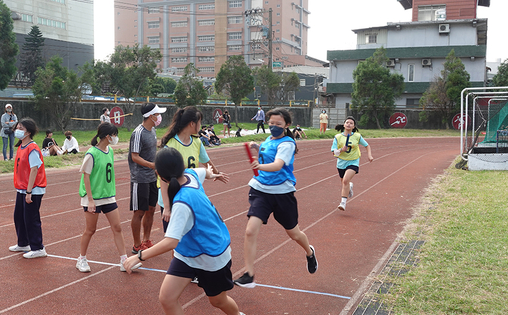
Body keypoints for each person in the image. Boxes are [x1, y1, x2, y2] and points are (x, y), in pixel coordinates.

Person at [123, 148, 247, 315]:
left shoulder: (181, 203)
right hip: (188, 253)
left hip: (212, 254)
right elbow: (203, 171)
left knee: (217, 301)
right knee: (167, 297)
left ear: (160, 176)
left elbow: (170, 241)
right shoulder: (189, 174)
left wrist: (139, 256)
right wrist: (212, 174)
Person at [234, 107, 318, 288]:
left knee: (294, 233)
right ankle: (249, 274)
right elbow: (267, 152)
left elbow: (278, 165)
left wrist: (259, 165)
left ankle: (309, 252)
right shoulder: (268, 139)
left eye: (278, 124)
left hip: (282, 194)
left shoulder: (287, 144)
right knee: (250, 231)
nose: (273, 127)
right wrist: (257, 148)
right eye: (270, 123)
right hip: (261, 190)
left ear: (286, 125)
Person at [76, 122, 142, 273]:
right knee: (90, 230)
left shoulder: (110, 151)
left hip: (108, 196)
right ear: (107, 136)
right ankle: (81, 259)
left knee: (117, 227)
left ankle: (124, 260)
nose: (116, 138)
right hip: (93, 198)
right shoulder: (91, 153)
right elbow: (86, 177)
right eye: (114, 135)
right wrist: (91, 200)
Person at [159, 106, 229, 229]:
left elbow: (206, 162)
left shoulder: (196, 142)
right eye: (199, 122)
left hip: (189, 194)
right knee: (175, 238)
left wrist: (217, 174)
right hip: (172, 197)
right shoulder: (170, 146)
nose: (201, 125)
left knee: (190, 235)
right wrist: (167, 207)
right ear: (192, 124)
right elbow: (163, 180)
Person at [128, 102, 165, 253]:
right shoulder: (138, 133)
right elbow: (134, 157)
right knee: (139, 212)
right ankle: (137, 245)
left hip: (152, 178)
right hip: (140, 178)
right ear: (151, 116)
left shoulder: (153, 130)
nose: (159, 117)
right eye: (157, 114)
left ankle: (146, 240)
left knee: (151, 209)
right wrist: (152, 166)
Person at [8, 118, 48, 259]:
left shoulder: (32, 148)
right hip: (22, 188)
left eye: (21, 128)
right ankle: (23, 243)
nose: (17, 130)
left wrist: (29, 191)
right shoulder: (21, 146)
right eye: (17, 127)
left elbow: (34, 170)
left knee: (31, 218)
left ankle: (38, 247)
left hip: (33, 189)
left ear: (28, 132)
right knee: (19, 216)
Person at [331, 116, 373, 211]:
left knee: (345, 180)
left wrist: (369, 155)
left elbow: (367, 145)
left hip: (353, 161)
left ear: (354, 126)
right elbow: (334, 152)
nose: (349, 124)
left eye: (351, 123)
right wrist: (342, 149)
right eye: (347, 122)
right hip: (341, 163)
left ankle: (343, 203)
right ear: (344, 124)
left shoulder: (357, 136)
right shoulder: (338, 137)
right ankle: (349, 186)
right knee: (344, 183)